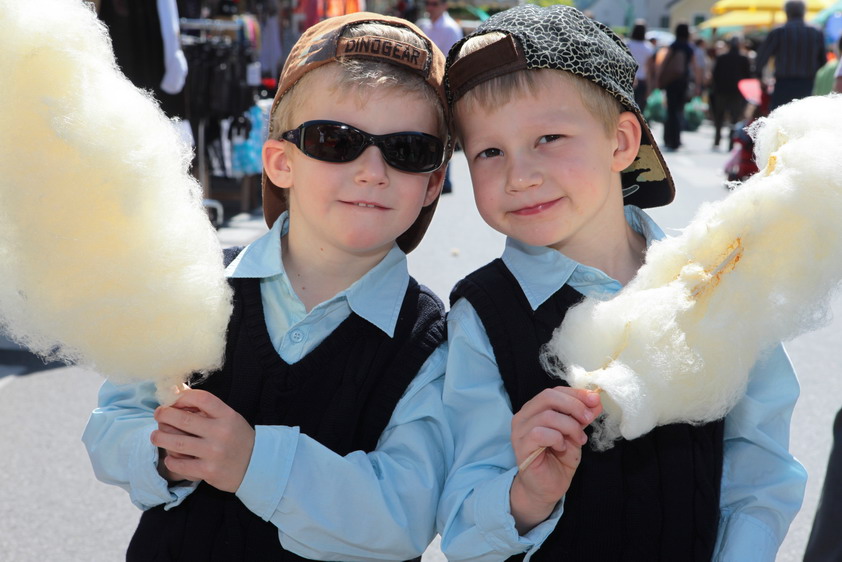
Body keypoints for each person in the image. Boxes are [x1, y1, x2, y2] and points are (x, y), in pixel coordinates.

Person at [436, 5, 806, 560]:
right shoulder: (481, 317)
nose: (520, 175)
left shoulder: (713, 280)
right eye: (489, 151)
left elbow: (761, 474)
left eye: (548, 137)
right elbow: (465, 524)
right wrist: (527, 494)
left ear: (621, 141)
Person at [83, 12, 453, 560]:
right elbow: (112, 424)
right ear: (281, 163)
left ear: (433, 183)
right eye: (335, 141)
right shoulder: (194, 288)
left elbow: (404, 514)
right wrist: (162, 452)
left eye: (408, 150)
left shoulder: (432, 341)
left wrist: (253, 461)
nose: (373, 171)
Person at [418, 0, 463, 194]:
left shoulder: (450, 29)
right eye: (428, 3)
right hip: (425, 88)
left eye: (434, 4)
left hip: (442, 88)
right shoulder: (424, 25)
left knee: (442, 135)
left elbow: (451, 63)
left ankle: (443, 180)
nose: (430, 7)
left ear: (445, 6)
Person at [754, 0, 825, 110]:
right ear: (804, 12)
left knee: (780, 116)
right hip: (808, 83)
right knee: (805, 115)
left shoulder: (778, 32)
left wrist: (759, 77)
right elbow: (823, 61)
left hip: (783, 84)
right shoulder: (816, 32)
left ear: (786, 12)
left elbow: (762, 57)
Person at [659, 22, 702, 151]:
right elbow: (695, 67)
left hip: (671, 82)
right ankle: (676, 139)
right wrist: (697, 84)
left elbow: (664, 63)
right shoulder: (689, 48)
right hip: (683, 82)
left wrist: (660, 78)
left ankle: (668, 138)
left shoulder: (673, 45)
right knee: (679, 111)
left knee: (670, 110)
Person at [711, 36, 751, 149]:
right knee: (734, 117)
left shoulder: (721, 57)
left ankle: (717, 140)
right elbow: (747, 76)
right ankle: (731, 142)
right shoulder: (744, 58)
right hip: (737, 92)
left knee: (719, 116)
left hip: (721, 90)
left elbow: (715, 74)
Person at [626, 20, 655, 112]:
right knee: (640, 109)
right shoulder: (648, 47)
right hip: (643, 80)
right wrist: (649, 86)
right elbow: (649, 69)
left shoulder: (627, 44)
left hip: (629, 79)